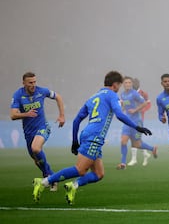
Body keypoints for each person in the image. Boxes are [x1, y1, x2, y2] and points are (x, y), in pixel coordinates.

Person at [32, 71, 152, 205]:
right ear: (115, 84)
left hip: (88, 134)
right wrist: (137, 127)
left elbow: (77, 120)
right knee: (80, 169)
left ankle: (73, 186)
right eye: (120, 85)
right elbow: (119, 114)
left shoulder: (93, 97)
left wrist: (75, 141)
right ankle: (44, 182)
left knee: (98, 174)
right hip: (95, 137)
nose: (120, 88)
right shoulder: (112, 95)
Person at [10, 72, 65, 192]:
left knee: (36, 148)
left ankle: (48, 176)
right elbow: (13, 115)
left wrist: (61, 115)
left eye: (34, 82)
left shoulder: (41, 91)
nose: (33, 85)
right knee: (36, 159)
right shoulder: (18, 95)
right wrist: (26, 114)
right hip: (29, 132)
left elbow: (58, 97)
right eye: (30, 83)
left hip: (42, 127)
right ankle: (51, 176)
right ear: (24, 83)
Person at [117, 76, 157, 169]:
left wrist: (135, 110)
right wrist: (121, 110)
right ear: (123, 84)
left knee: (137, 144)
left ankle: (152, 148)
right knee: (123, 141)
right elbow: (124, 106)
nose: (127, 84)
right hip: (127, 121)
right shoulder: (122, 94)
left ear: (131, 84)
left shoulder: (134, 94)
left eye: (129, 83)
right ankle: (123, 163)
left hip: (136, 122)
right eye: (126, 83)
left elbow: (145, 103)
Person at [127, 77, 152, 166]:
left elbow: (148, 104)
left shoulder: (143, 93)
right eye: (133, 83)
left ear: (138, 84)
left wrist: (142, 110)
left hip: (139, 118)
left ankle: (134, 159)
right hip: (130, 118)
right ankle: (145, 154)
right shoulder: (129, 93)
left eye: (136, 83)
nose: (134, 84)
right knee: (135, 137)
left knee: (136, 137)